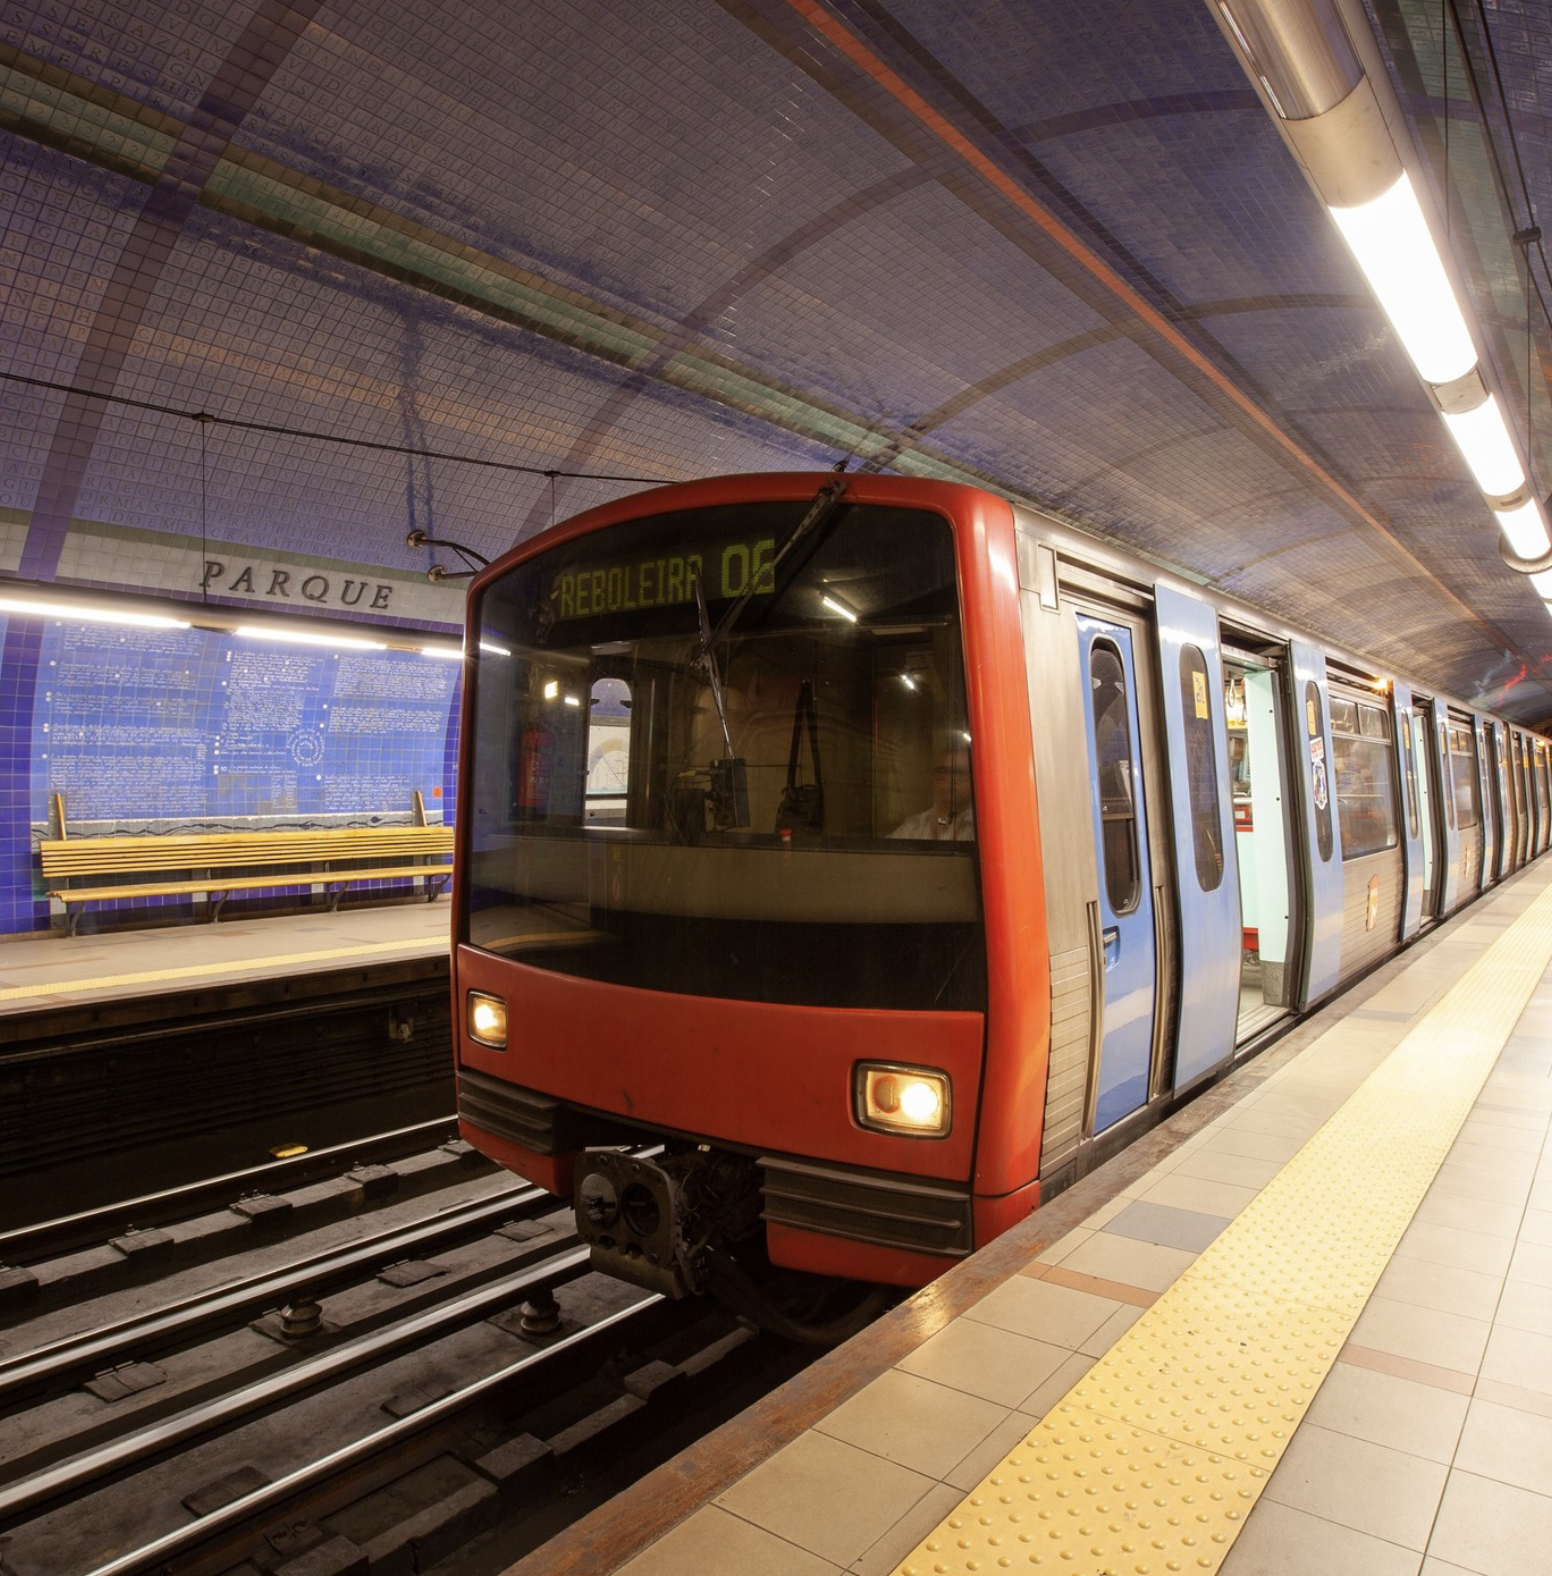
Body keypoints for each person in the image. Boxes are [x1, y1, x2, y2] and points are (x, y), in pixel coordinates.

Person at [891, 746, 975, 840]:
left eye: (959, 772)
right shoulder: (913, 827)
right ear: (932, 780)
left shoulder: (982, 826)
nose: (949, 779)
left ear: (973, 780)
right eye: (942, 771)